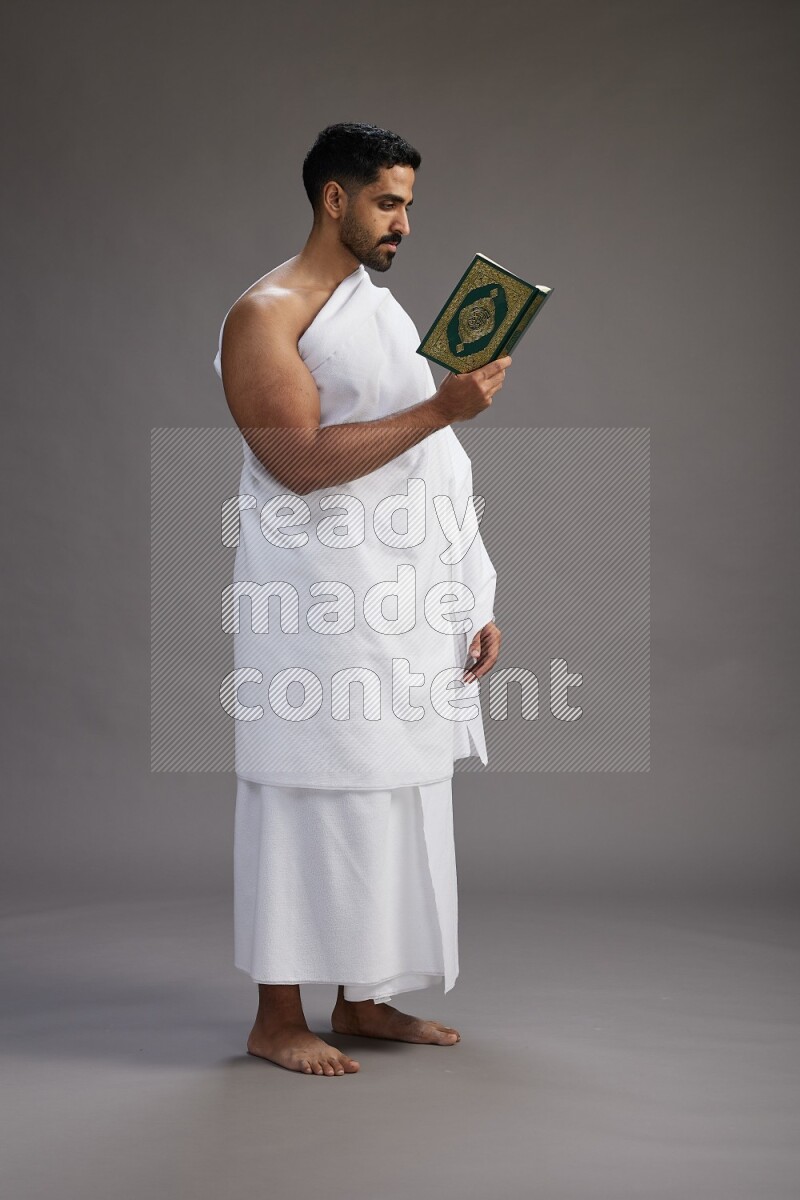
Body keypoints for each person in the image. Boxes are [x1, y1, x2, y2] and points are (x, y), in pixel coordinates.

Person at [213, 122, 510, 1076]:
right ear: (333, 199)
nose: (404, 224)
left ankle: (366, 997)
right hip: (317, 611)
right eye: (388, 202)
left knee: (395, 796)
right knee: (309, 795)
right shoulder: (266, 314)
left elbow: (432, 463)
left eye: (410, 205)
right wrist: (441, 404)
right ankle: (275, 1017)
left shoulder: (371, 308)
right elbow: (296, 462)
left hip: (405, 599)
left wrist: (472, 592)